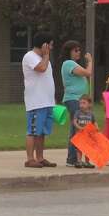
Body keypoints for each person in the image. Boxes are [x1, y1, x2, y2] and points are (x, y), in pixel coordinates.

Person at [21, 32, 56, 168]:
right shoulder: (30, 56)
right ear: (44, 45)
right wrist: (46, 56)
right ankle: (30, 159)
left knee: (41, 131)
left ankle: (40, 158)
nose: (51, 48)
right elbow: (41, 68)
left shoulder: (45, 59)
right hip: (36, 102)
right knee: (33, 131)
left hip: (47, 101)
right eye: (50, 45)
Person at [59, 41, 93, 168]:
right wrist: (90, 61)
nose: (79, 52)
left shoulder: (72, 64)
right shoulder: (68, 63)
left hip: (78, 100)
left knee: (78, 129)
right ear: (69, 52)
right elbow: (88, 73)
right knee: (77, 129)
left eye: (79, 50)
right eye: (76, 50)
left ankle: (74, 158)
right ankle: (72, 159)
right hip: (73, 100)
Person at [71, 95, 95, 168]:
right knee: (79, 148)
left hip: (88, 135)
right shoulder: (78, 113)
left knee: (88, 149)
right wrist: (79, 127)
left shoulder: (91, 114)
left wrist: (96, 128)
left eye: (84, 103)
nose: (81, 105)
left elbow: (94, 122)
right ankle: (79, 161)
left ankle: (87, 162)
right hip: (80, 134)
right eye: (80, 103)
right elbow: (74, 121)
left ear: (89, 104)